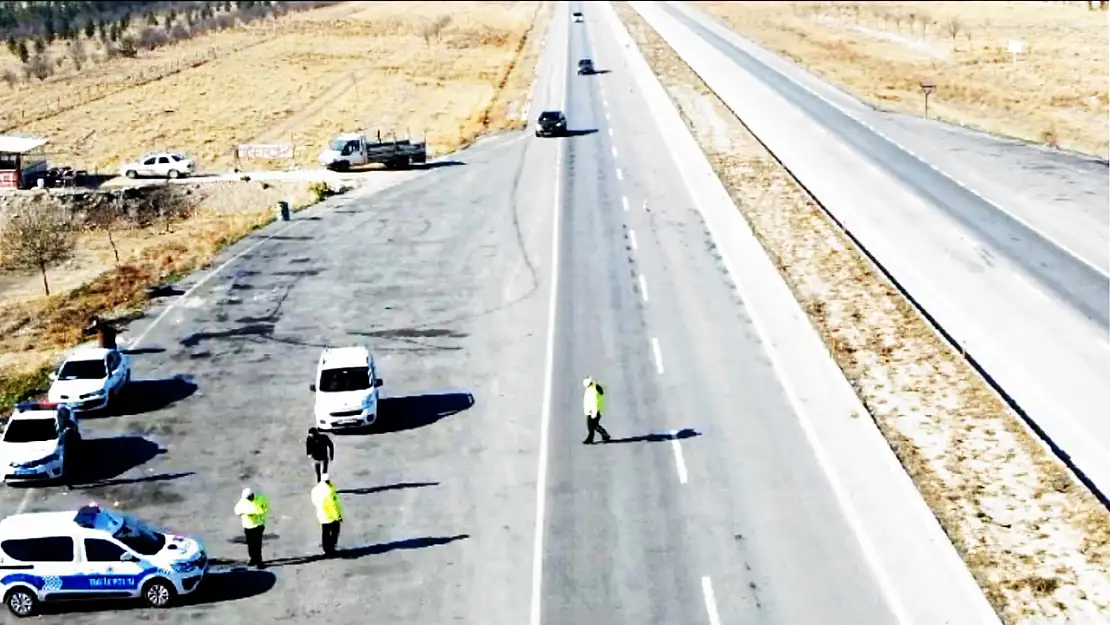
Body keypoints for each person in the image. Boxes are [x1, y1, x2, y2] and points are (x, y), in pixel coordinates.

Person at [234, 487, 270, 568]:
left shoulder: (260, 499)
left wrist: (252, 512)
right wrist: (243, 511)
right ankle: (253, 559)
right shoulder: (243, 502)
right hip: (248, 526)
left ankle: (259, 562)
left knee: (257, 545)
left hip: (258, 526)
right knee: (250, 545)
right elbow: (236, 511)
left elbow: (264, 509)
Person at [311, 474, 344, 556]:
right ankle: (332, 547)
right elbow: (333, 506)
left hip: (321, 515)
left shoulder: (316, 489)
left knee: (325, 532)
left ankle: (326, 548)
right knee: (335, 530)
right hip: (330, 516)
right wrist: (338, 516)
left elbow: (314, 500)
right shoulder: (329, 491)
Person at [582, 376, 611, 444]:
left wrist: (594, 412)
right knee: (593, 425)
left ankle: (603, 435)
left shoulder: (592, 390)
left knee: (592, 425)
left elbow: (593, 401)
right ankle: (599, 436)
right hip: (593, 410)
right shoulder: (594, 387)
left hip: (593, 411)